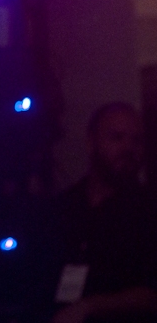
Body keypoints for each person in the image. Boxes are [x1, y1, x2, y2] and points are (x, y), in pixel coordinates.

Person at [32, 102, 157, 323]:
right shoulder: (64, 205)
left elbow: (151, 292)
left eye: (136, 140)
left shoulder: (147, 210)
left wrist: (88, 307)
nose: (128, 148)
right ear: (92, 142)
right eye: (117, 137)